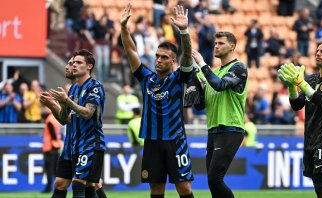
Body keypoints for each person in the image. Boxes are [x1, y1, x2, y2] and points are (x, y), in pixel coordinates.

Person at [120, 3, 195, 198]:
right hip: (152, 141)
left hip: (175, 140)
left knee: (184, 188)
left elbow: (187, 56)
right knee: (156, 189)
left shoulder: (179, 78)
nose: (159, 60)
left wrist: (184, 31)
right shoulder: (147, 78)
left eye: (164, 57)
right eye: (157, 56)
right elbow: (131, 51)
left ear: (172, 61)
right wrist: (123, 28)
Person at [278, 40, 322, 198]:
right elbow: (297, 105)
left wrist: (301, 83)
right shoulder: (311, 80)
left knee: (321, 184)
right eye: (317, 51)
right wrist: (291, 87)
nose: (318, 53)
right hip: (310, 138)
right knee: (321, 185)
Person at [41, 54, 107, 198]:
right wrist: (58, 105)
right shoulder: (73, 89)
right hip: (73, 145)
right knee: (62, 184)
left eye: (78, 62)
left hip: (90, 143)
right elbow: (65, 119)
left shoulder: (95, 87)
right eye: (73, 62)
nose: (73, 65)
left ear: (89, 66)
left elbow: (88, 113)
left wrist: (67, 102)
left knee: (81, 184)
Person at [192, 31, 248, 198]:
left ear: (232, 46)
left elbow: (220, 85)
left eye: (221, 43)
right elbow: (200, 105)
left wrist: (201, 64)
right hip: (214, 130)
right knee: (212, 182)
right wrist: (195, 88)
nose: (216, 46)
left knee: (215, 179)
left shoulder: (238, 67)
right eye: (215, 43)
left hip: (230, 128)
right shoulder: (213, 72)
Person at [41, 105, 62, 193]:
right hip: (55, 147)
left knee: (49, 169)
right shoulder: (55, 118)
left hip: (50, 148)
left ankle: (48, 188)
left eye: (44, 107)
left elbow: (53, 135)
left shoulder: (49, 119)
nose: (42, 109)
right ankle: (59, 187)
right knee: (55, 170)